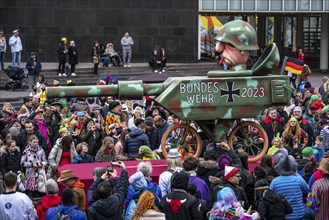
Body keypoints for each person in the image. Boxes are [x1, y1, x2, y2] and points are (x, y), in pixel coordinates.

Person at [270, 155, 309, 219]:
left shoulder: (274, 182)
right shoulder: (298, 179)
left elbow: (270, 196)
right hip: (298, 214)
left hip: (282, 215)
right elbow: (307, 189)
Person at [20, 134, 48, 199]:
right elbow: (22, 163)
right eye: (34, 142)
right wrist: (31, 164)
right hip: (29, 176)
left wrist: (39, 164)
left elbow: (45, 161)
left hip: (39, 175)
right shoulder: (26, 151)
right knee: (29, 194)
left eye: (37, 142)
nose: (36, 144)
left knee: (38, 194)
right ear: (29, 142)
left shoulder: (41, 150)